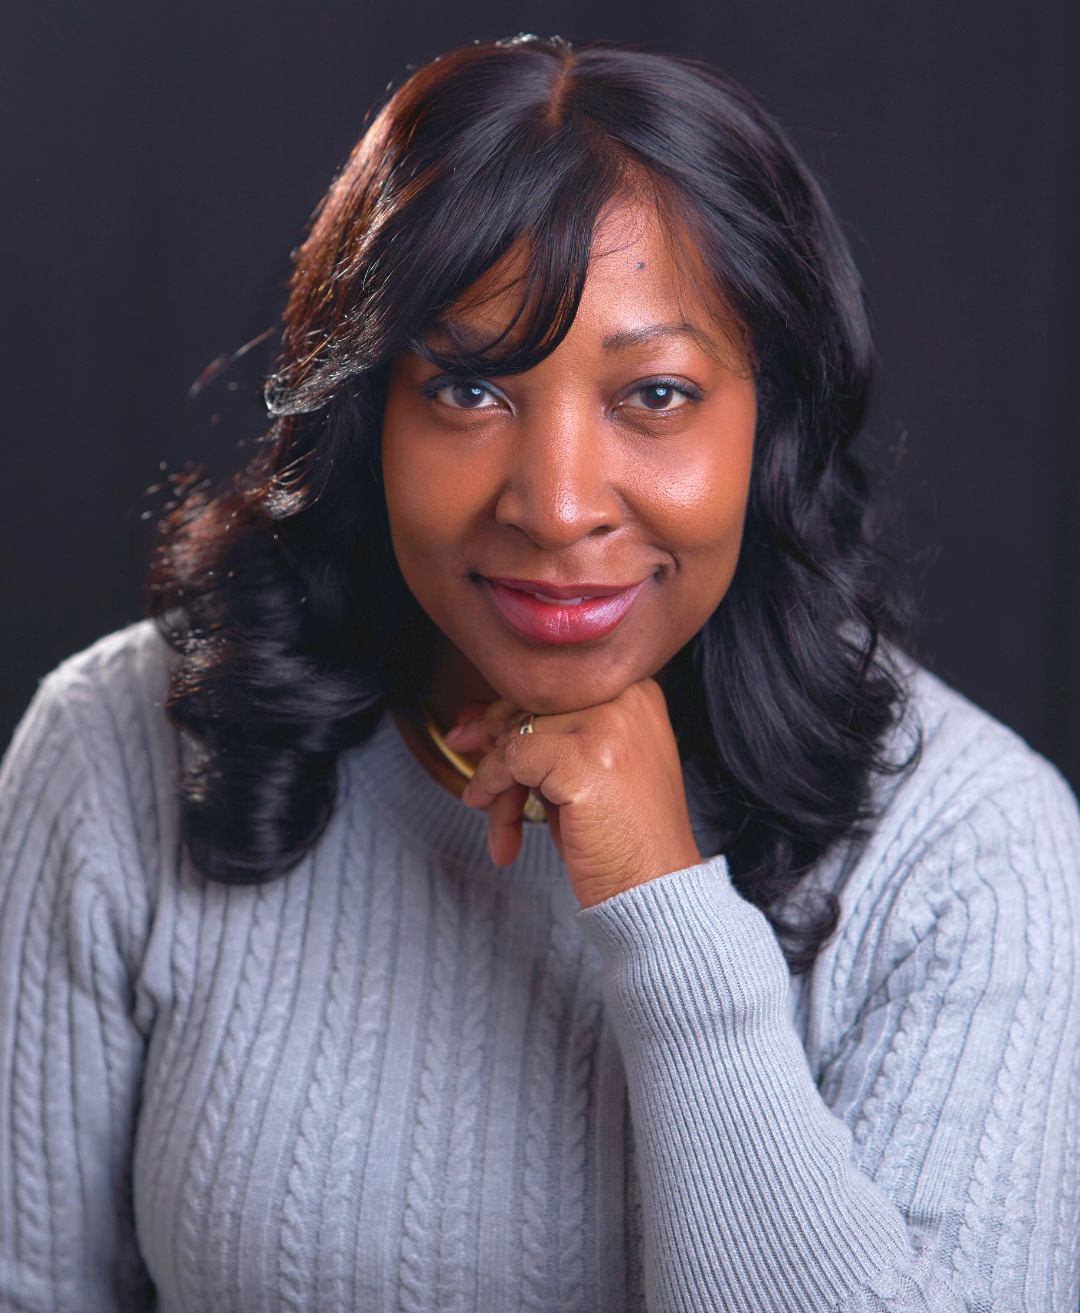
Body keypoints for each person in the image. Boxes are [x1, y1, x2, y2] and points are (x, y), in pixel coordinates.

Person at [0, 34, 1077, 1313]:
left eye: (658, 394)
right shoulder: (120, 746)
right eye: (466, 386)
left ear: (771, 424)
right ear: (366, 417)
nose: (559, 506)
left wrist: (666, 910)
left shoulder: (974, 850)